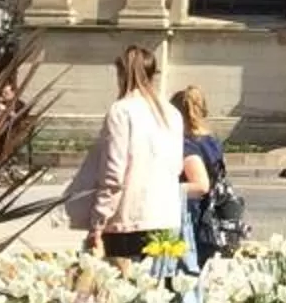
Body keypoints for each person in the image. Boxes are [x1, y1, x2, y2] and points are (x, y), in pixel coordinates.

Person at [80, 43, 186, 263]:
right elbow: (176, 166)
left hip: (128, 220)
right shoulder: (172, 113)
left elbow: (113, 174)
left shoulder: (121, 110)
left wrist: (98, 222)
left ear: (121, 73)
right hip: (165, 216)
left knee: (122, 290)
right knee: (158, 293)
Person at [173, 84, 234, 270]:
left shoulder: (188, 144)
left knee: (187, 269)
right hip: (212, 214)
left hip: (194, 215)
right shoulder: (212, 140)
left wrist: (165, 189)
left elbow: (200, 185)